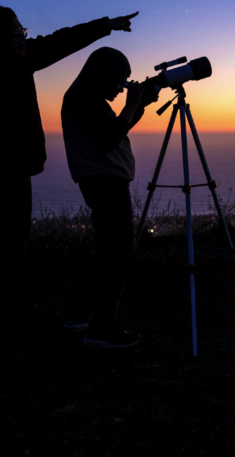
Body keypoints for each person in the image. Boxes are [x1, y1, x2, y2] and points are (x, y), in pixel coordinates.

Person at [0, 7, 139, 337]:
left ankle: (15, 307)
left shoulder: (20, 58)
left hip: (19, 168)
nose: (24, 39)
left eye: (23, 32)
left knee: (18, 239)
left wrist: (104, 26)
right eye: (16, 34)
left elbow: (59, 41)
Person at [60, 47, 159, 348]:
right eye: (120, 80)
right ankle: (101, 327)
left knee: (107, 252)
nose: (121, 88)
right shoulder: (82, 96)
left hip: (103, 182)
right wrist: (132, 104)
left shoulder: (86, 97)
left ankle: (79, 317)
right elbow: (109, 137)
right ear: (102, 72)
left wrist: (138, 107)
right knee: (118, 254)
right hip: (105, 183)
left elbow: (114, 129)